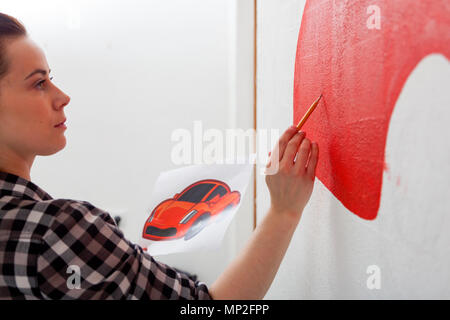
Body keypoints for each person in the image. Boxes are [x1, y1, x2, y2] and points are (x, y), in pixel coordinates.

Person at [0, 12, 319, 300]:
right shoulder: (60, 230)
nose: (63, 97)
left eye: (51, 79)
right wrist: (283, 211)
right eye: (39, 83)